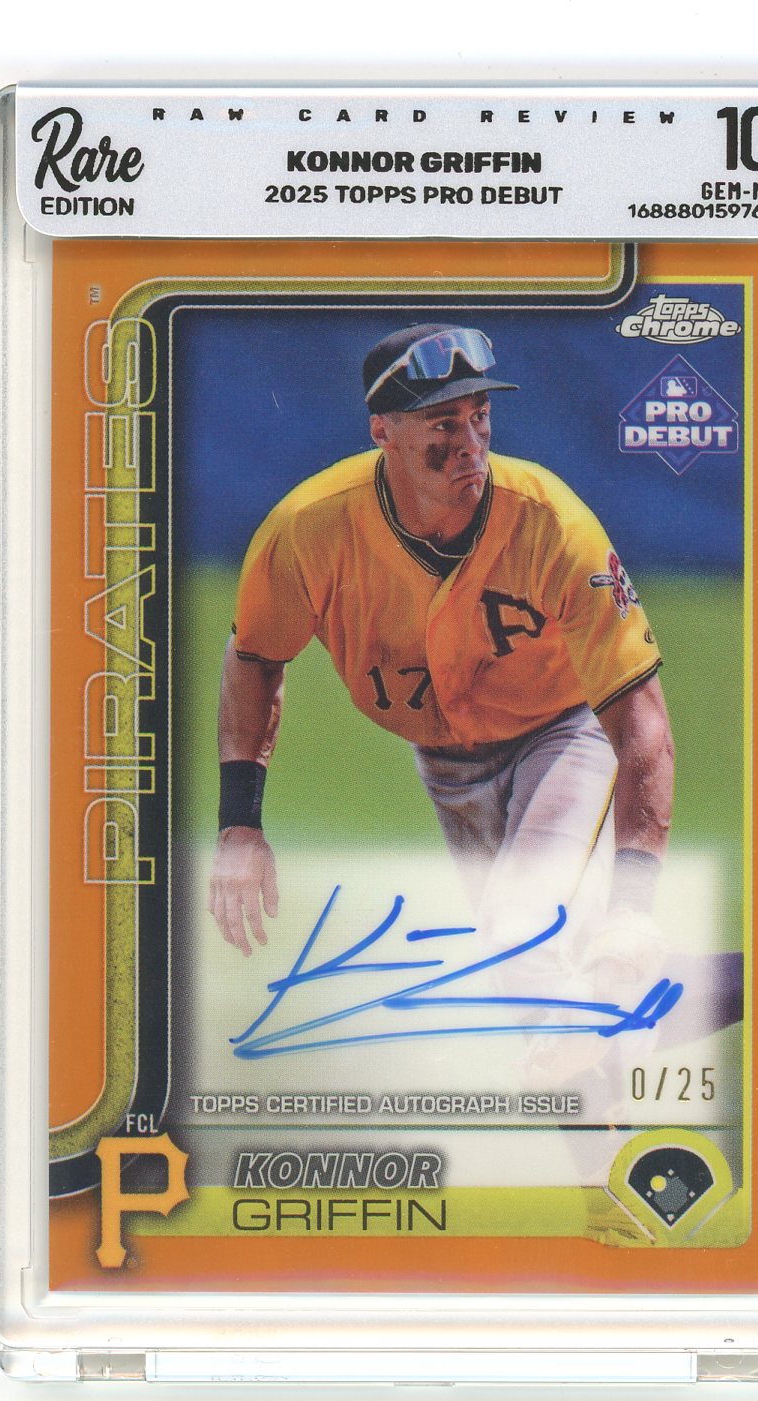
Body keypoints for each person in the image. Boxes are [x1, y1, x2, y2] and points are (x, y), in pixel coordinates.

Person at [208, 324, 674, 990]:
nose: (470, 444)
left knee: (521, 935)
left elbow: (640, 718)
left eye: (479, 417)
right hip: (447, 767)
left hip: (564, 737)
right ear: (383, 432)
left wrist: (633, 901)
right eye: (443, 424)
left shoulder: (551, 524)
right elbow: (254, 658)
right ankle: (707, 989)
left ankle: (635, 980)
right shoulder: (310, 531)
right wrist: (239, 824)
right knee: (526, 982)